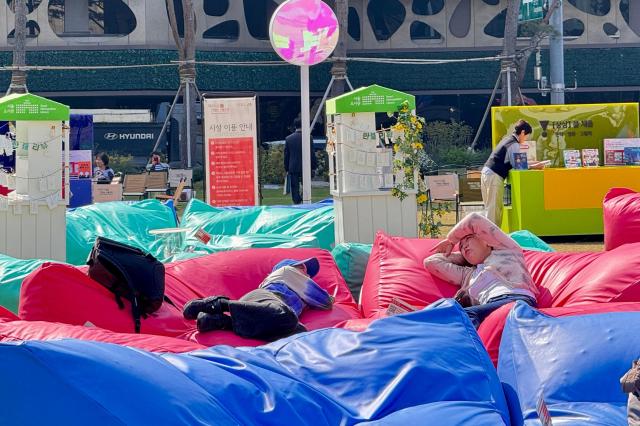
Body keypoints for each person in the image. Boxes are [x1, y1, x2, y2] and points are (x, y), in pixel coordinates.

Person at [423, 212, 538, 329]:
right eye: (461, 247)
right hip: (490, 307)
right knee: (444, 315)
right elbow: (431, 262)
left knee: (464, 316)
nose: (464, 246)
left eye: (468, 239)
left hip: (516, 300)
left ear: (487, 240)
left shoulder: (507, 251)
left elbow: (474, 219)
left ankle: (469, 347)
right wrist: (464, 257)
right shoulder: (468, 274)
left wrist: (451, 240)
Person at [182, 257, 334, 341]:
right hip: (267, 298)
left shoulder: (297, 288)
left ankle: (219, 321)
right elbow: (325, 301)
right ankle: (218, 304)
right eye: (303, 268)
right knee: (286, 316)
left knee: (299, 334)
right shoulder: (287, 271)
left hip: (257, 306)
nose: (307, 274)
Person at [482, 119, 546, 226]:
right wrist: (536, 166)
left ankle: (488, 238)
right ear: (522, 133)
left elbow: (517, 162)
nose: (526, 139)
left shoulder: (507, 139)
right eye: (526, 136)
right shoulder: (514, 144)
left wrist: (534, 163)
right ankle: (493, 240)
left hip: (486, 173)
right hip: (494, 176)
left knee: (489, 209)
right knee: (494, 211)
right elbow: (519, 166)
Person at [284, 117, 317, 204]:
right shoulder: (308, 137)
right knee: (306, 186)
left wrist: (286, 168)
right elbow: (312, 153)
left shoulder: (288, 139)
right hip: (306, 166)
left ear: (295, 126)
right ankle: (305, 199)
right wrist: (314, 166)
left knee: (294, 187)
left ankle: (297, 202)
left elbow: (287, 155)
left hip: (293, 165)